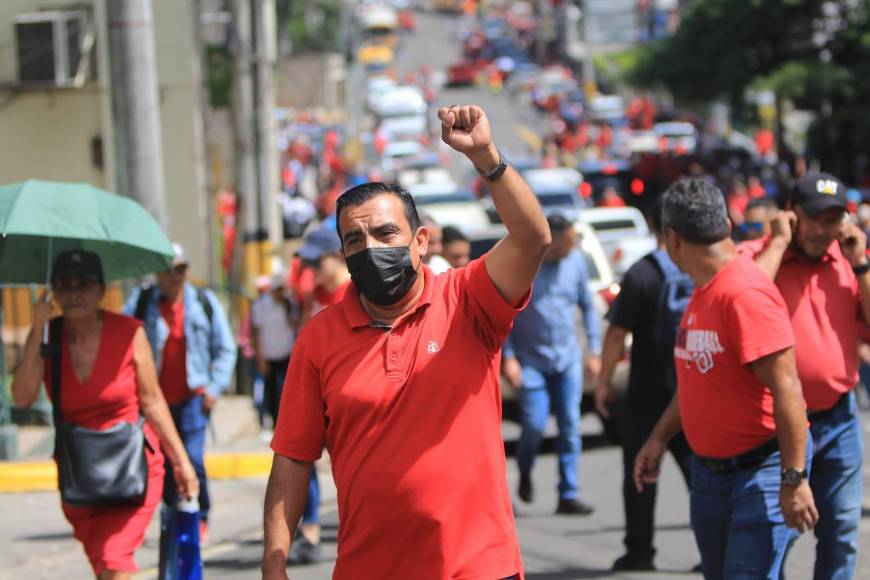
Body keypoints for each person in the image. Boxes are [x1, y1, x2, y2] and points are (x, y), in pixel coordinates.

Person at [262, 104, 551, 579]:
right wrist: (274, 560)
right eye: (355, 241)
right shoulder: (319, 338)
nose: (371, 248)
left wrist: (487, 159)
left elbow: (532, 238)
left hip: (479, 567)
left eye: (385, 233)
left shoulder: (468, 298)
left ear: (420, 241)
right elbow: (293, 457)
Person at [634, 178, 818, 579]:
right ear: (727, 226)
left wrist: (793, 479)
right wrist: (659, 438)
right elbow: (699, 379)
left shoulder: (744, 295)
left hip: (759, 473)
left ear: (672, 238)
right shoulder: (706, 290)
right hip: (710, 476)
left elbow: (788, 391)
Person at [12, 250, 198, 579]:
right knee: (106, 566)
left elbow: (153, 402)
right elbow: (23, 397)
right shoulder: (48, 336)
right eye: (65, 285)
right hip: (79, 475)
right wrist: (37, 328)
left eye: (83, 285)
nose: (74, 294)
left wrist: (181, 462)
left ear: (101, 290)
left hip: (133, 469)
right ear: (54, 292)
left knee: (114, 559)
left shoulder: (129, 333)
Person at [739, 172, 866, 579]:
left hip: (839, 419)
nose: (821, 230)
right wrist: (778, 243)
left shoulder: (846, 262)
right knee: (776, 538)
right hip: (777, 426)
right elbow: (741, 302)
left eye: (832, 220)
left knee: (841, 535)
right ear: (791, 214)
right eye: (813, 218)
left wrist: (861, 264)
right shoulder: (761, 256)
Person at [595, 198, 694, 571]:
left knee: (639, 472)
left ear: (654, 226)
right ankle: (713, 546)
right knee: (699, 473)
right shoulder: (699, 269)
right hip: (691, 389)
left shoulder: (641, 274)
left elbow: (616, 334)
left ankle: (639, 551)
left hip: (647, 393)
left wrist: (604, 382)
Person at [124, 244, 236, 545]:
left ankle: (199, 516)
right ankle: (174, 515)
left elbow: (226, 348)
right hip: (155, 401)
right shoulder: (141, 302)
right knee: (162, 464)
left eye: (180, 269)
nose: (174, 277)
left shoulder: (203, 301)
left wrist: (214, 387)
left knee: (193, 460)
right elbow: (121, 341)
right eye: (168, 271)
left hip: (192, 399)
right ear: (157, 274)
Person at [502, 212, 601, 515]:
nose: (571, 248)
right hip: (532, 361)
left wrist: (594, 350)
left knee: (570, 424)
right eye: (566, 243)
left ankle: (568, 493)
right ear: (552, 241)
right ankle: (526, 468)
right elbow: (505, 311)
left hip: (567, 358)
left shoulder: (576, 262)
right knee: (534, 424)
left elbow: (588, 306)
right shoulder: (526, 264)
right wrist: (509, 357)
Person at [285, 223, 352, 565]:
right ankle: (309, 530)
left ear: (335, 257)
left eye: (316, 262)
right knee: (301, 457)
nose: (311, 270)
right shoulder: (314, 296)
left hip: (344, 395)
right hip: (315, 391)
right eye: (307, 264)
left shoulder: (354, 293)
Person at [251, 272, 297, 429]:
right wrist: (260, 358)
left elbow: (295, 325)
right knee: (271, 392)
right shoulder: (260, 305)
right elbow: (256, 333)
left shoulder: (289, 304)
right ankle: (275, 423)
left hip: (287, 354)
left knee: (286, 390)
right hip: (269, 355)